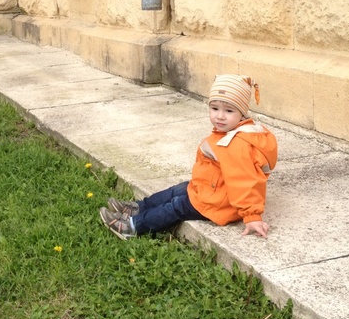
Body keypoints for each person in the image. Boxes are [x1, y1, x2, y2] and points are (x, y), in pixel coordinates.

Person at [99, 74, 278, 241]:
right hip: (214, 189)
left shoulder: (237, 144)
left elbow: (243, 180)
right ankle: (138, 208)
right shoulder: (233, 132)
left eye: (229, 111)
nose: (220, 116)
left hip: (221, 203)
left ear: (242, 113)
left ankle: (132, 226)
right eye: (214, 108)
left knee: (178, 205)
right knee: (177, 190)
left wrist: (251, 215)